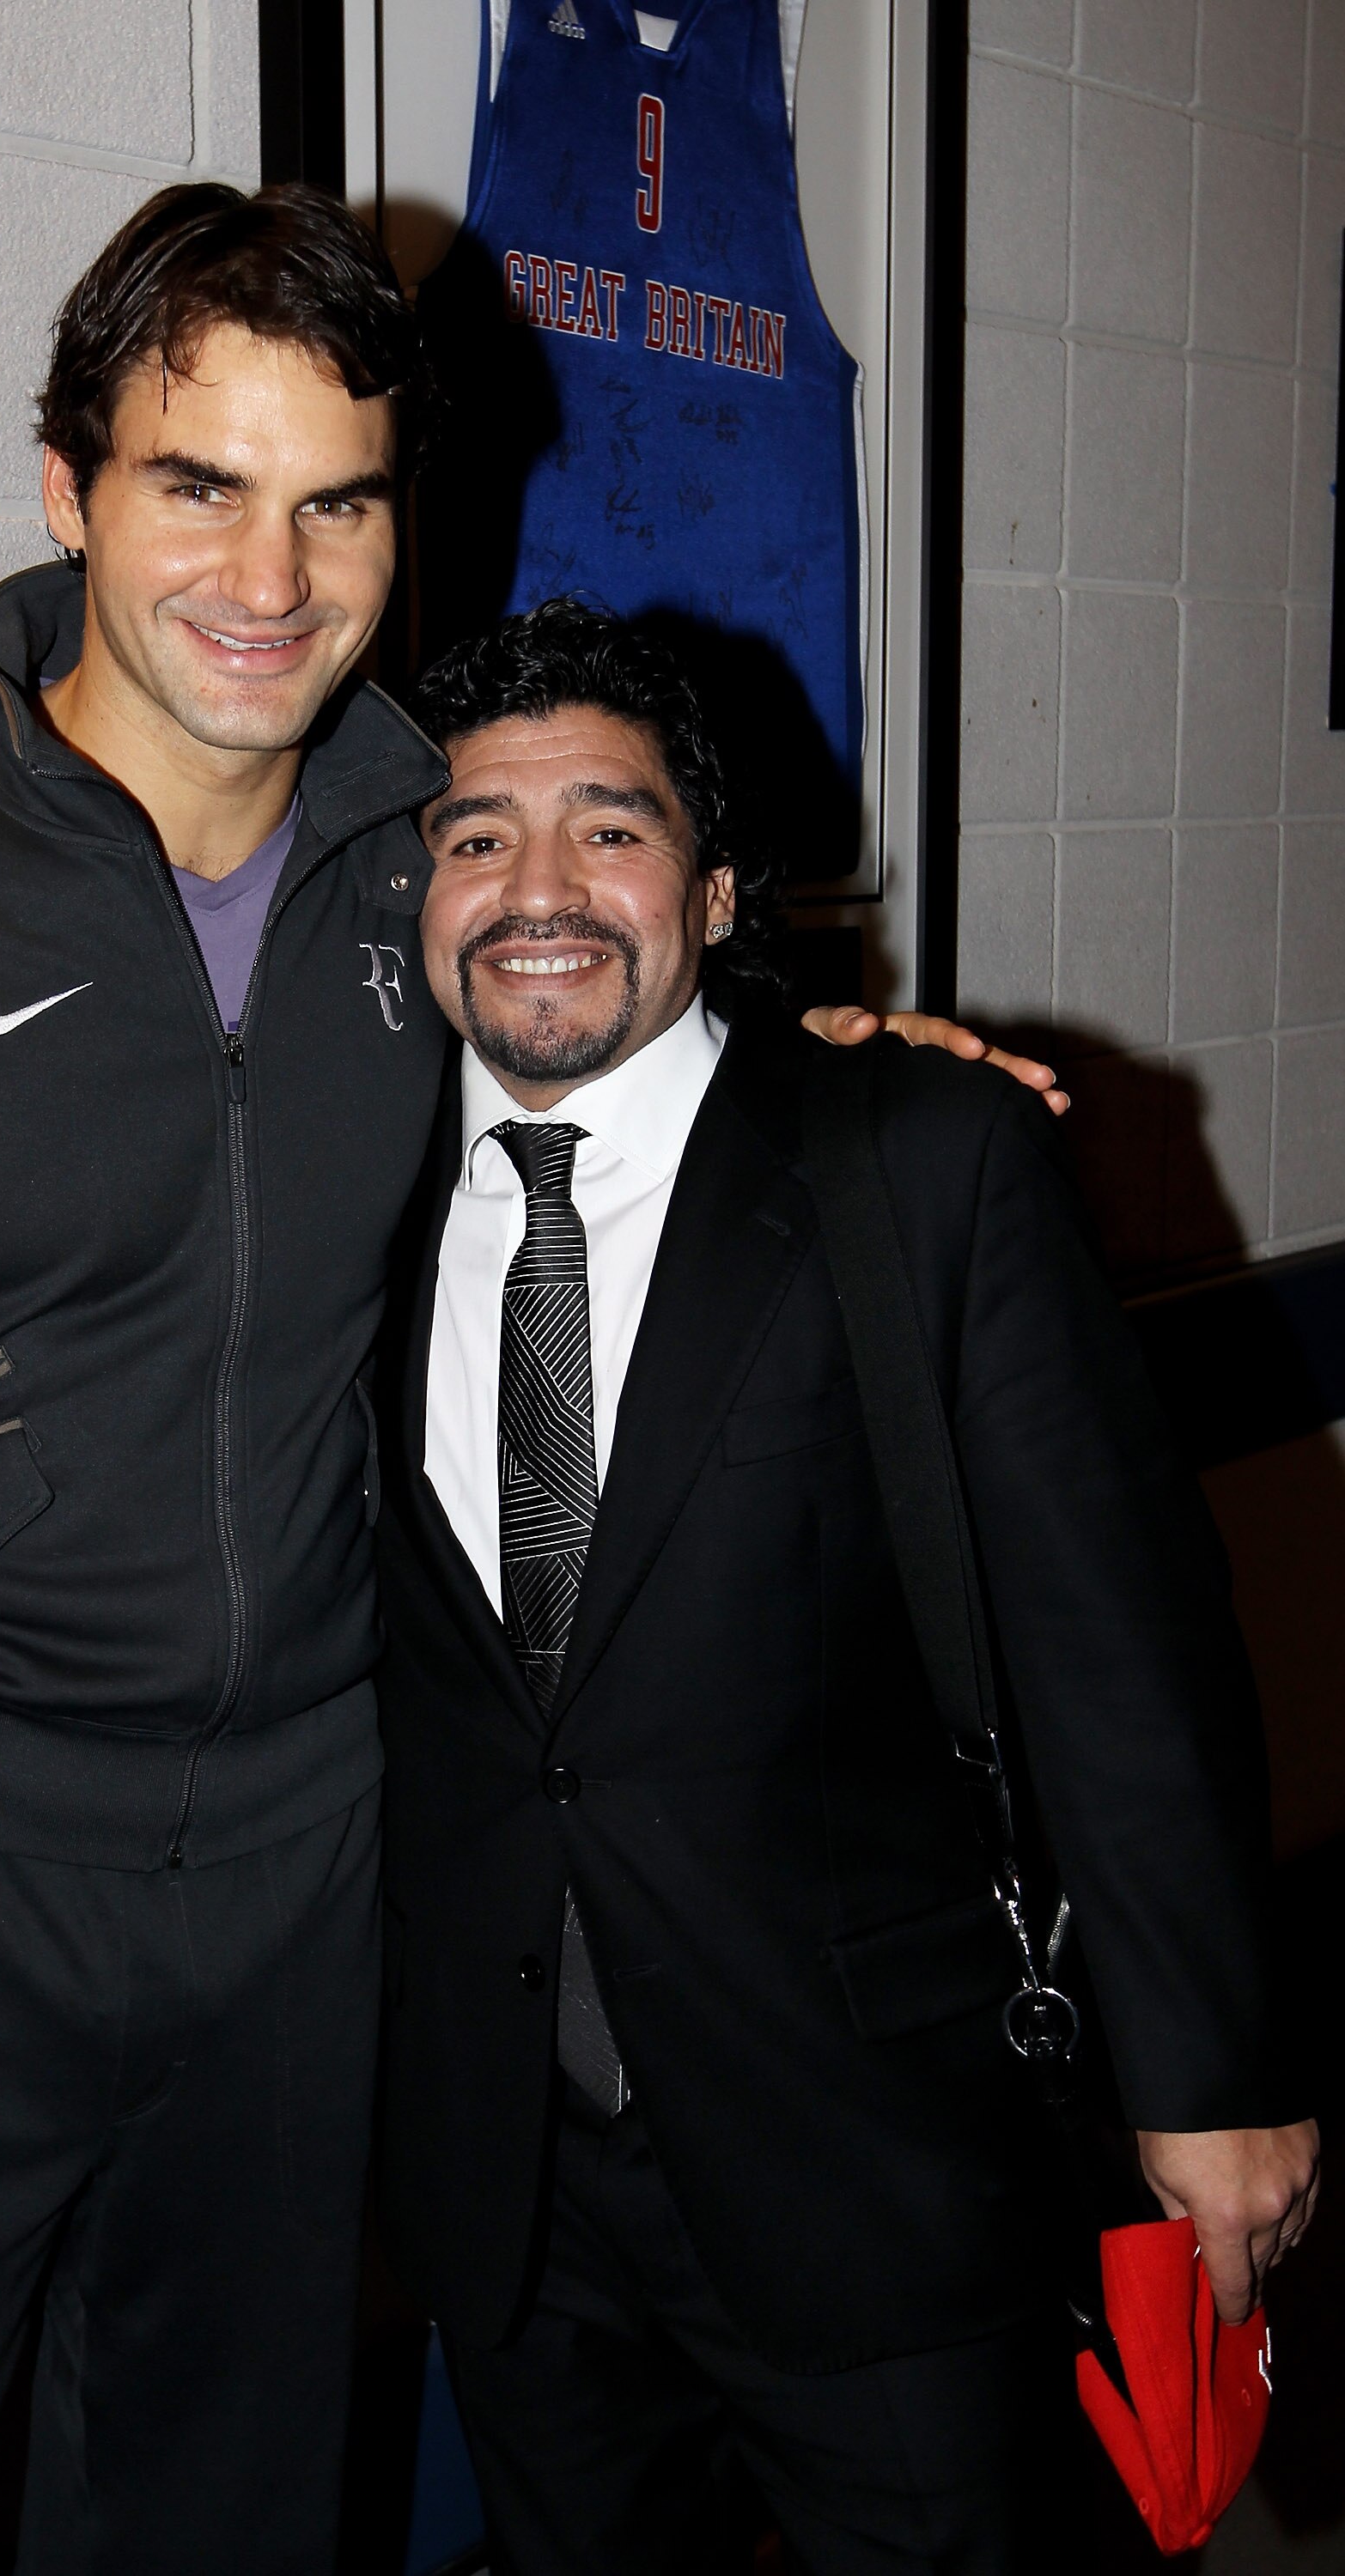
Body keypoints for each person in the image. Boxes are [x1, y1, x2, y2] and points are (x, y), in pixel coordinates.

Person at [0, 188, 1043, 2569]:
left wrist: (830, 1063)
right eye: (194, 484)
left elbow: (607, 995)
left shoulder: (410, 850)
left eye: (336, 496)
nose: (271, 573)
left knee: (232, 2525)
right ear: (64, 484)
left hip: (301, 1897)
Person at [356, 604, 1315, 2574]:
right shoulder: (333, 1196)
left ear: (715, 894)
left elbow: (1120, 1653)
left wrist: (1212, 2077)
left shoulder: (920, 1158)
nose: (537, 888)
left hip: (876, 2160)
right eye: (473, 836)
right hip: (508, 2181)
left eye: (607, 830)